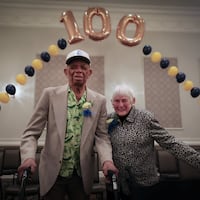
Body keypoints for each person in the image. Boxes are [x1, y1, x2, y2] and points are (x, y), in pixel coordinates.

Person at [18, 49, 118, 200]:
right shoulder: (50, 95)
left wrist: (107, 161)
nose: (78, 70)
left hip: (81, 175)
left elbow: (102, 137)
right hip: (53, 174)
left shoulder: (99, 101)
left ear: (89, 72)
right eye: (73, 67)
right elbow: (31, 133)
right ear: (66, 71)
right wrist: (28, 157)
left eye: (83, 67)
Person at [106, 84, 200, 200]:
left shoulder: (146, 118)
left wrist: (197, 159)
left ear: (133, 100)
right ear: (111, 102)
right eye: (116, 101)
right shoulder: (108, 120)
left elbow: (170, 142)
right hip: (120, 184)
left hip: (145, 184)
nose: (120, 105)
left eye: (124, 100)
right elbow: (102, 143)